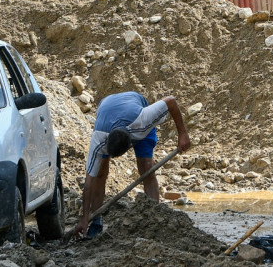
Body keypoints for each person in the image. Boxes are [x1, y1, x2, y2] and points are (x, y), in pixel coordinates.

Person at [75, 92, 191, 238]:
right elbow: (88, 182)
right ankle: (96, 221)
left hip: (134, 108)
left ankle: (154, 218)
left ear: (131, 144)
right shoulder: (99, 139)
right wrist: (84, 217)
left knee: (146, 169)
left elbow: (171, 101)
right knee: (100, 172)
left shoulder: (143, 121)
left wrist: (183, 134)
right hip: (107, 107)